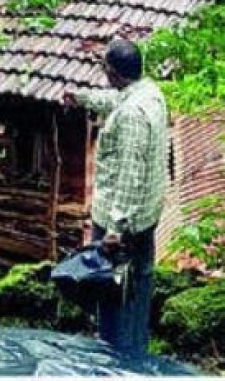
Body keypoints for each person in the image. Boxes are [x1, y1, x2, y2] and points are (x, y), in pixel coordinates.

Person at [64, 39, 169, 359]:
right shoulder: (148, 93)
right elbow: (116, 101)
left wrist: (114, 229)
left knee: (111, 292)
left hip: (122, 222)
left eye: (104, 68)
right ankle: (135, 351)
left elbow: (129, 173)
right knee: (138, 285)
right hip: (146, 215)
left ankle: (115, 360)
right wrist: (81, 98)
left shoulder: (132, 116)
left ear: (114, 73)